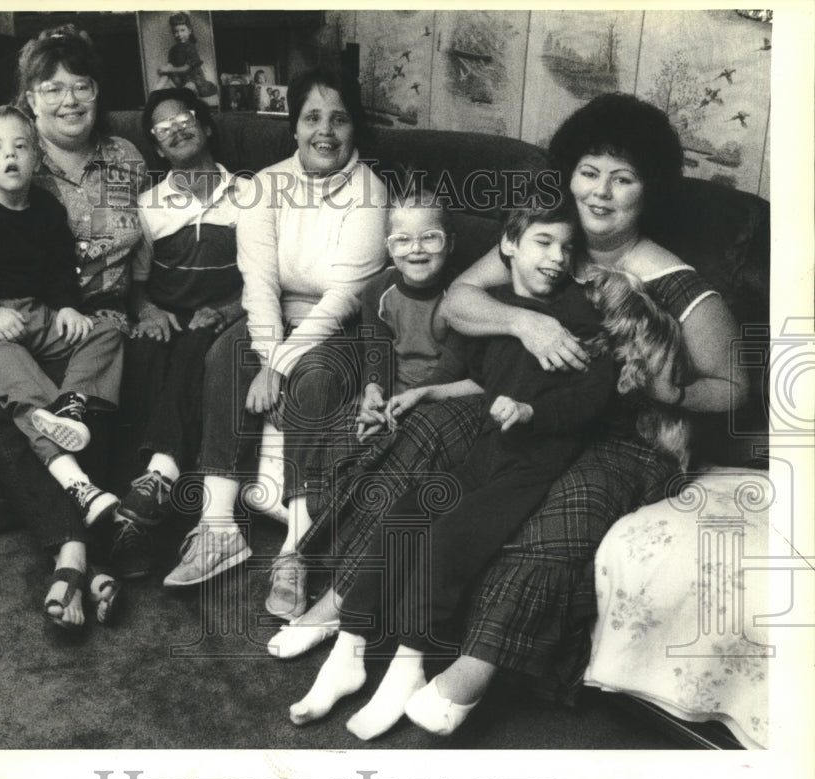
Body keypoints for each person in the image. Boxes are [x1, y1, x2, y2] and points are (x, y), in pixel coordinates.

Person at [273, 92, 747, 737]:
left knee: (568, 507)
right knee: (431, 433)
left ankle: (470, 671)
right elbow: (457, 303)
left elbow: (733, 390)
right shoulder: (553, 241)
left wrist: (663, 393)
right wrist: (525, 323)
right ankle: (344, 603)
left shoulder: (676, 283)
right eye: (589, 172)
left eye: (624, 178)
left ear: (650, 188)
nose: (601, 193)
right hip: (534, 397)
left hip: (629, 434)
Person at [288, 201, 618, 739]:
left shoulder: (581, 317)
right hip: (486, 450)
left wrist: (533, 411)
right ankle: (348, 653)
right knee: (403, 517)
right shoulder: (491, 309)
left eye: (566, 247)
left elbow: (591, 399)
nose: (557, 258)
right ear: (508, 246)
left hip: (533, 462)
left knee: (448, 541)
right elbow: (477, 379)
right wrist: (425, 391)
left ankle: (407, 664)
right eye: (542, 242)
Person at [0, 25, 147, 629]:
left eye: (82, 85)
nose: (69, 99)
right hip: (0, 321)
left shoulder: (127, 158)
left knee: (98, 401)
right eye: (52, 88)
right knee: (5, 409)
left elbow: (162, 236)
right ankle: (76, 554)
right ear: (29, 99)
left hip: (83, 320)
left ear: (99, 91)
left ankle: (78, 557)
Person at [162, 65, 389, 587]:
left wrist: (281, 365)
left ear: (354, 130)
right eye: (312, 117)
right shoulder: (265, 185)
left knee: (313, 378)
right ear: (294, 127)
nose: (324, 132)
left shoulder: (370, 194)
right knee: (224, 353)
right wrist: (268, 356)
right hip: (274, 317)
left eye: (339, 119)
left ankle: (297, 551)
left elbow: (343, 300)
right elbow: (259, 283)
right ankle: (218, 528)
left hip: (338, 327)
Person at [0, 105, 124, 549]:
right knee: (22, 384)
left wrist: (69, 308)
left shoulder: (48, 210)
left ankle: (72, 405)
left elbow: (58, 272)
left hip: (37, 314)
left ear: (36, 158)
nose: (9, 156)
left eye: (20, 147)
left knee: (105, 330)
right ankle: (78, 485)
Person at [263, 187, 463, 619]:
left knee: (384, 466)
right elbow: (376, 351)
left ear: (450, 242)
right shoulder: (379, 290)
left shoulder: (460, 296)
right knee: (340, 439)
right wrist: (373, 392)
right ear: (389, 246)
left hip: (436, 405)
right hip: (392, 396)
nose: (416, 250)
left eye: (430, 238)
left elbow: (452, 368)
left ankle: (340, 575)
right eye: (403, 240)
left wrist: (403, 408)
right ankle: (299, 555)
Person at [106, 87, 248, 579]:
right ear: (157, 148)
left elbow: (264, 277)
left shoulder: (250, 197)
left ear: (206, 126)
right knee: (144, 357)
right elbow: (137, 285)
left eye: (184, 118)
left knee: (194, 352)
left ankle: (158, 483)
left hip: (220, 319)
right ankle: (136, 512)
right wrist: (146, 312)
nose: (176, 130)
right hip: (167, 315)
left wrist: (228, 312)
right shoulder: (148, 206)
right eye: (162, 129)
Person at [156, 12, 218, 99]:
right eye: (176, 32)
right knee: (164, 77)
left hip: (193, 78)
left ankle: (190, 106)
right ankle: (154, 94)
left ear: (189, 31)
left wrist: (170, 69)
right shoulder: (173, 50)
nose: (179, 34)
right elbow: (170, 64)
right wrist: (164, 69)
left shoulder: (191, 48)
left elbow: (187, 68)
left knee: (189, 87)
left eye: (182, 30)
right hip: (179, 78)